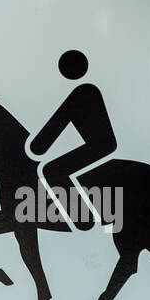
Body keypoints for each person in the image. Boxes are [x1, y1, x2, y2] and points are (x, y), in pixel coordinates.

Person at [28, 50, 117, 230]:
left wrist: (38, 145)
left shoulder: (83, 92)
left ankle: (83, 218)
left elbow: (57, 123)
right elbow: (58, 123)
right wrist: (39, 145)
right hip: (98, 144)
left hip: (100, 145)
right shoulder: (87, 90)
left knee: (52, 170)